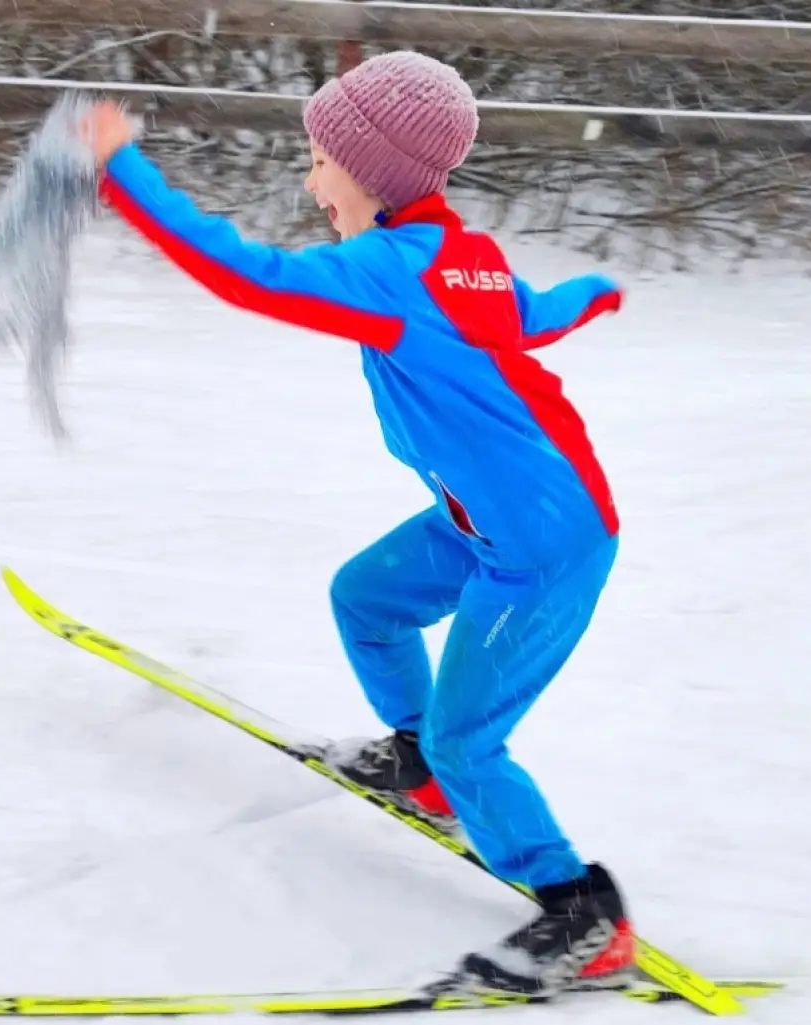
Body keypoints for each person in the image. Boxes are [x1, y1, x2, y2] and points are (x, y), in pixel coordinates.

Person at [78, 50, 633, 995]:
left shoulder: (390, 270)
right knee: (367, 600)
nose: (311, 180)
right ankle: (420, 765)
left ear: (375, 177)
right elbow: (527, 316)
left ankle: (582, 911)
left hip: (546, 547)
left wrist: (119, 166)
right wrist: (591, 292)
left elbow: (248, 277)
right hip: (486, 518)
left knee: (476, 741)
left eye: (322, 161)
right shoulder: (465, 257)